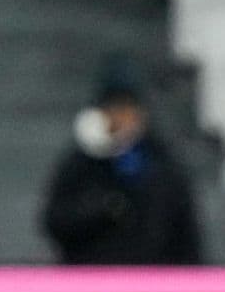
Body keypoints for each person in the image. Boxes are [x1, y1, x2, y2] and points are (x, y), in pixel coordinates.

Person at [39, 55, 202, 265]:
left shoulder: (164, 167)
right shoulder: (80, 164)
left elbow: (186, 237)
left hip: (152, 286)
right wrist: (104, 208)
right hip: (91, 284)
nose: (121, 117)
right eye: (114, 109)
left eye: (127, 108)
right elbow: (55, 222)